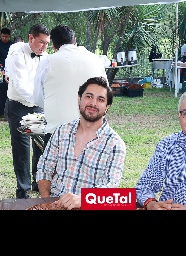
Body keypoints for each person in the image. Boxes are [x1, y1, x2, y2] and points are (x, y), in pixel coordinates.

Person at [36, 76, 126, 210]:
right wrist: (46, 201)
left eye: (100, 100)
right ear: (79, 99)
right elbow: (44, 169)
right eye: (89, 96)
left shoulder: (115, 144)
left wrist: (83, 200)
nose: (93, 103)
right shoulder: (62, 132)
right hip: (55, 204)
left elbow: (111, 189)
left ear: (107, 107)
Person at [32, 24, 107, 146]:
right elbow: (105, 94)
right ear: (75, 40)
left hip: (57, 134)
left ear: (54, 46)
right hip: (92, 132)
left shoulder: (47, 62)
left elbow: (37, 99)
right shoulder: (96, 59)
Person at [4, 24, 50, 199]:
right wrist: (43, 101)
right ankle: (22, 192)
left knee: (40, 146)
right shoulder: (17, 56)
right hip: (19, 106)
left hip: (37, 106)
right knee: (22, 150)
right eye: (41, 42)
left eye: (47, 43)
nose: (44, 47)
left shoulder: (45, 56)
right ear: (31, 38)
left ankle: (38, 183)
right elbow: (22, 88)